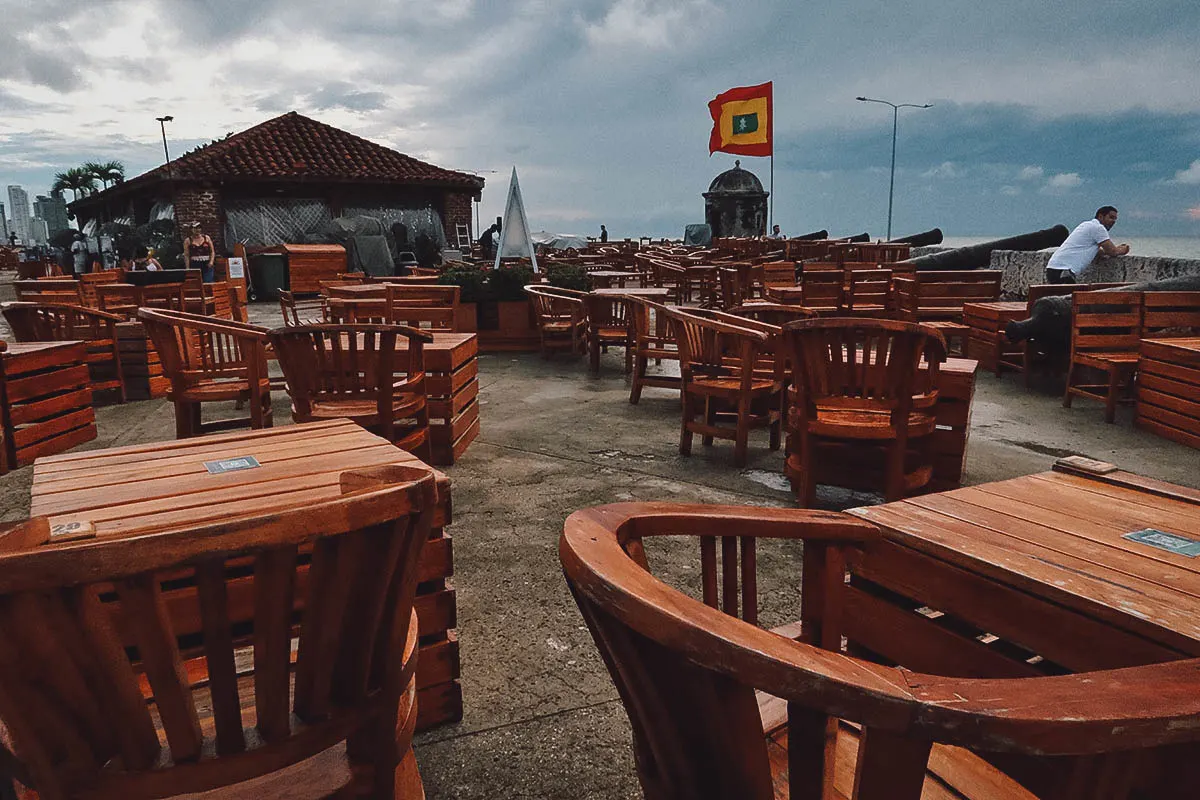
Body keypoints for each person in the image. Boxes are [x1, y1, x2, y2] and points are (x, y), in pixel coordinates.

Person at [1044, 206, 1130, 284]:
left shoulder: (1086, 225)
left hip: (1054, 268)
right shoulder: (1098, 228)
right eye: (1111, 217)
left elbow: (1092, 250)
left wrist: (1108, 251)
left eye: (1115, 219)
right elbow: (1112, 251)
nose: (1113, 221)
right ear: (1101, 216)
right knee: (1070, 299)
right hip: (1063, 271)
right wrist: (1123, 249)